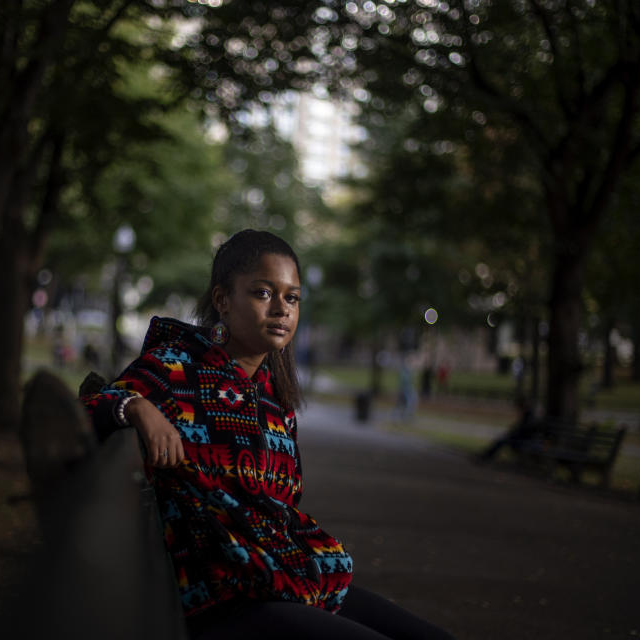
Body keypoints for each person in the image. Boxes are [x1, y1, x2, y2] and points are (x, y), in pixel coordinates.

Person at [80, 230, 453, 640]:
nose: (281, 309)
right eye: (263, 293)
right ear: (222, 300)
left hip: (283, 578)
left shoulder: (272, 396)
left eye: (291, 297)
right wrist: (134, 407)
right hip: (223, 598)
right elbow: (87, 404)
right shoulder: (176, 368)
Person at [477, 395, 543, 463]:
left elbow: (523, 430)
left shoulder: (530, 417)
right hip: (522, 439)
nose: (518, 409)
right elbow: (520, 429)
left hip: (524, 441)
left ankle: (485, 456)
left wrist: (512, 433)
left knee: (502, 441)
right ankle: (485, 455)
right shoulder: (529, 415)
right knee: (502, 439)